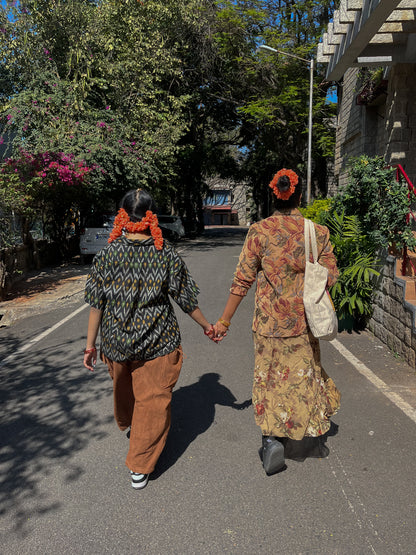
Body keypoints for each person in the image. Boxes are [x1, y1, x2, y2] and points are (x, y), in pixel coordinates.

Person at [83, 189, 215, 490]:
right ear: (151, 216)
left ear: (122, 216)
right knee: (152, 401)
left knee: (134, 395)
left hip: (116, 343)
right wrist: (207, 326)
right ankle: (141, 457)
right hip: (158, 340)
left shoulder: (107, 254)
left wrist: (90, 346)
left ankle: (139, 456)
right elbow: (186, 298)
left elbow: (96, 304)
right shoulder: (164, 252)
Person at [213, 169, 341, 475]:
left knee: (270, 379)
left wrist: (224, 322)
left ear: (274, 195)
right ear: (300, 195)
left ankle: (271, 439)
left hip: (269, 324)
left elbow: (242, 281)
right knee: (300, 377)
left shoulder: (259, 232)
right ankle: (302, 428)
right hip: (303, 323)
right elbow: (331, 277)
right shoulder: (317, 233)